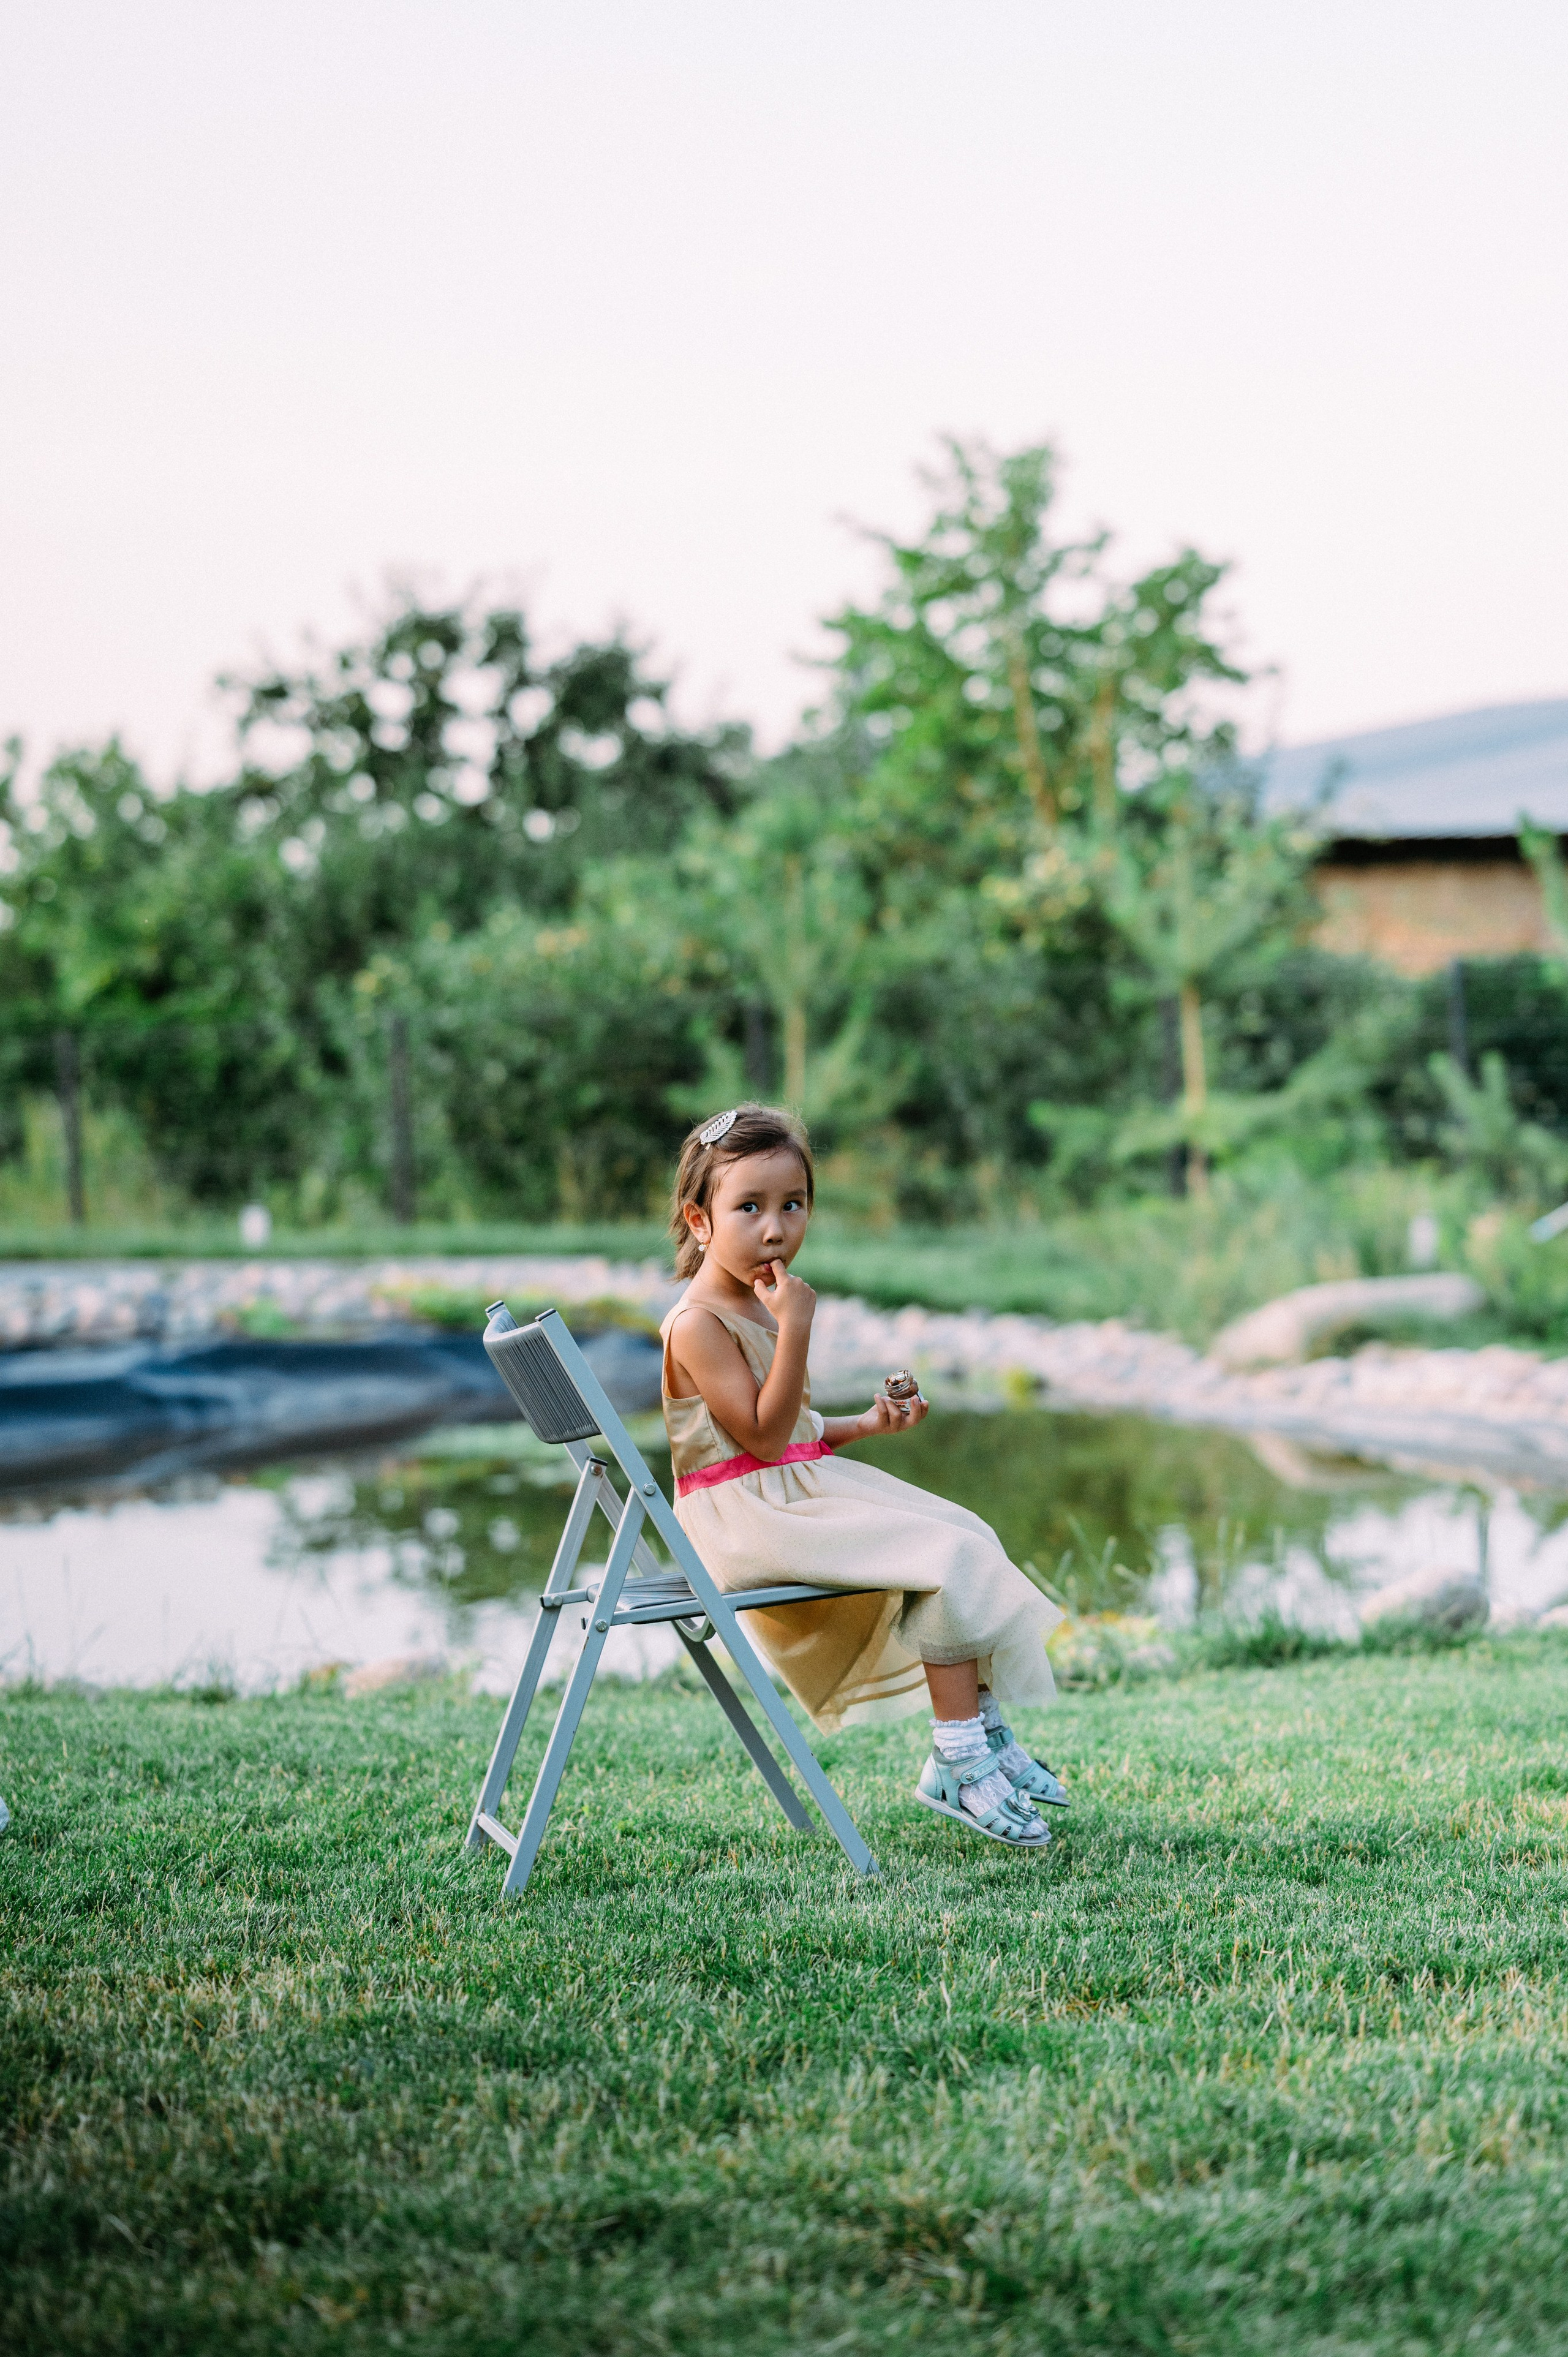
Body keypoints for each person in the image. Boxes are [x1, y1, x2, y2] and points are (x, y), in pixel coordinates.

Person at [660, 1103, 1069, 1850]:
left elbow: (792, 1434)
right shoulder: (697, 1323)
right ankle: (957, 1759)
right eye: (748, 1207)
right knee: (944, 1561)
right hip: (744, 1520)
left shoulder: (755, 1298)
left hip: (785, 1488)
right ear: (700, 1220)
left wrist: (868, 1424)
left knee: (964, 1530)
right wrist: (799, 1327)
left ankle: (978, 1729)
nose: (776, 1228)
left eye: (793, 1204)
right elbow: (759, 1434)